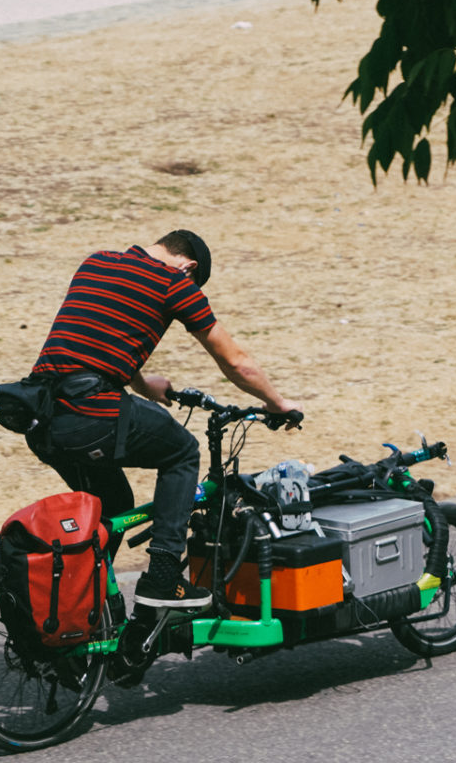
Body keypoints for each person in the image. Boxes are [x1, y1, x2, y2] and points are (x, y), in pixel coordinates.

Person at [25, 230, 299, 611]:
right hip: (91, 415)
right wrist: (277, 402)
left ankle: (79, 603)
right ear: (189, 267)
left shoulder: (97, 261)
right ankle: (163, 579)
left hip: (41, 417)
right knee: (183, 452)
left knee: (113, 503)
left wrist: (140, 383)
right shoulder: (175, 283)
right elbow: (235, 361)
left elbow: (98, 339)